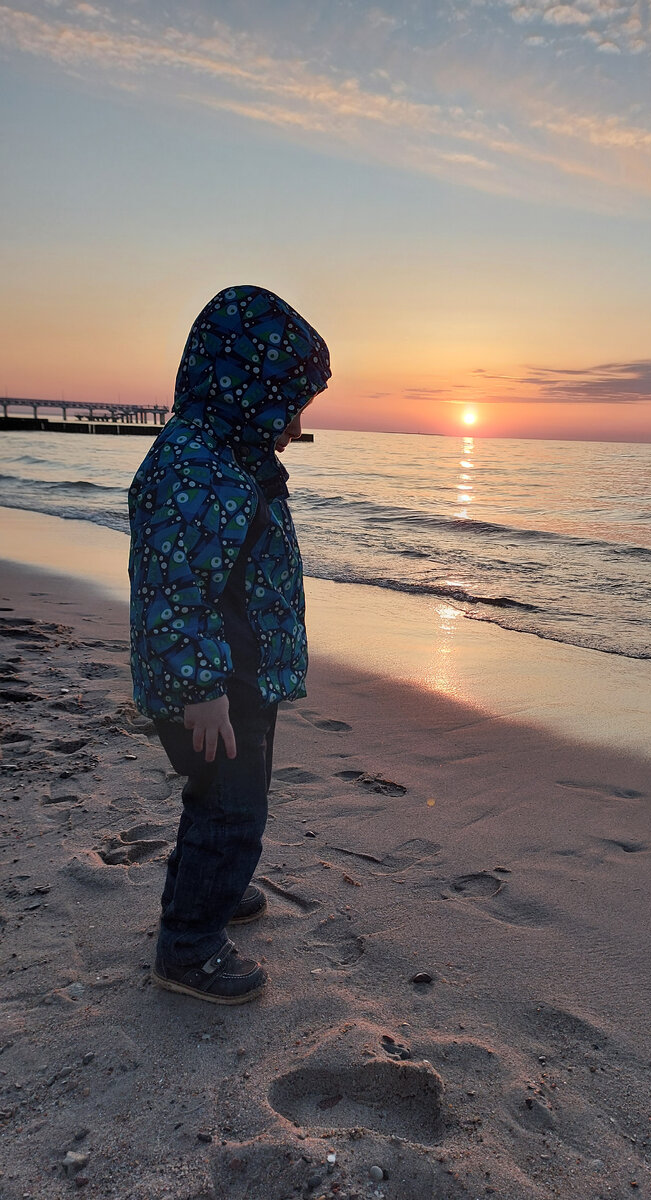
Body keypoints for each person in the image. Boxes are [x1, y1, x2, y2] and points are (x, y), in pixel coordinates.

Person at [128, 285, 330, 1004]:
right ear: (247, 390)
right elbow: (173, 587)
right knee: (232, 809)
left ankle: (203, 889)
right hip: (213, 683)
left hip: (232, 673)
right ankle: (188, 947)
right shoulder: (196, 468)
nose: (296, 424)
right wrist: (202, 689)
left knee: (218, 797)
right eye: (290, 404)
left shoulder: (229, 455)